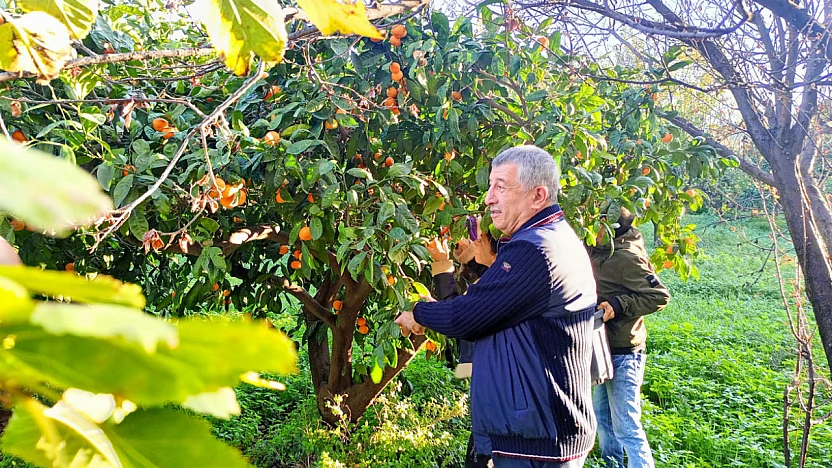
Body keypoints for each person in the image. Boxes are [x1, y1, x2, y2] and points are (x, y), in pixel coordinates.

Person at [396, 145, 598, 467]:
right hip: (535, 434)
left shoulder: (536, 252)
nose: (489, 197)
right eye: (490, 186)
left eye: (500, 187)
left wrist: (417, 312)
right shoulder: (547, 239)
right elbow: (497, 305)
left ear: (538, 195)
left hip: (535, 443)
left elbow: (466, 317)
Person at [586, 206, 670, 468]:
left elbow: (659, 296)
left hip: (624, 351)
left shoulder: (626, 257)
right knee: (602, 417)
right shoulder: (594, 249)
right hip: (600, 346)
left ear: (611, 228)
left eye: (598, 223)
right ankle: (611, 464)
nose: (591, 227)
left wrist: (618, 305)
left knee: (626, 425)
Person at [426, 222, 496, 468]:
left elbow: (456, 315)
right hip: (482, 371)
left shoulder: (500, 283)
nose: (475, 242)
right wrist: (467, 259)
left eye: (480, 240)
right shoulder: (507, 271)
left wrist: (441, 264)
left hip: (493, 383)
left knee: (483, 448)